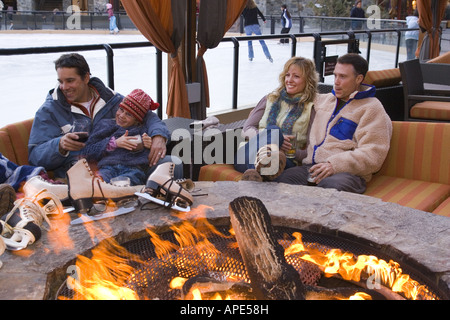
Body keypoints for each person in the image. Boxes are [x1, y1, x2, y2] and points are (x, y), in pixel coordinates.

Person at [28, 53, 171, 181]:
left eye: (70, 80)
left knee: (171, 163)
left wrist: (158, 136)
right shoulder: (49, 111)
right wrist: (59, 145)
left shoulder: (112, 100)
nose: (64, 87)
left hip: (122, 162)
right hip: (77, 172)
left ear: (86, 78)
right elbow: (35, 156)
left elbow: (147, 116)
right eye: (60, 81)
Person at [275, 53, 392, 194]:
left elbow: (373, 154)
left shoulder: (372, 108)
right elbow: (297, 93)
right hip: (312, 167)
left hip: (346, 173)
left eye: (342, 77)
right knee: (281, 180)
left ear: (358, 79)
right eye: (335, 75)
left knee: (328, 187)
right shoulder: (325, 100)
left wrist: (334, 165)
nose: (336, 81)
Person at [234, 56, 318, 181]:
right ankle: (259, 167)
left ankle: (255, 173)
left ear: (308, 80)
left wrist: (291, 149)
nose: (289, 80)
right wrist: (273, 139)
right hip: (248, 155)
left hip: (285, 161)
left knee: (276, 153)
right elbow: (246, 129)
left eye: (296, 76)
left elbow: (312, 150)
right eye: (287, 75)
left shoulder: (311, 109)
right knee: (274, 131)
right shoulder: (270, 98)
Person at [81, 89, 182, 185]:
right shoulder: (105, 125)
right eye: (121, 109)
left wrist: (148, 145)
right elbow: (88, 151)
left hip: (134, 169)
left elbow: (150, 153)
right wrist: (114, 143)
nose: (121, 115)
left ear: (137, 120)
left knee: (129, 182)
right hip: (108, 167)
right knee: (99, 183)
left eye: (128, 114)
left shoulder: (142, 130)